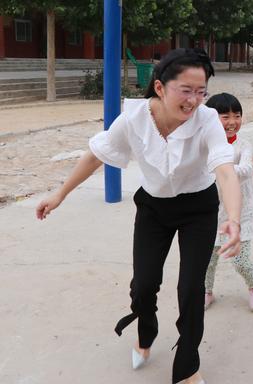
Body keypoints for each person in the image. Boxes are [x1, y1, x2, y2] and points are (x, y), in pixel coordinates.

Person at [35, 48, 241, 384]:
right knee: (143, 285)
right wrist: (60, 193)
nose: (194, 100)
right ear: (160, 87)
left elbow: (226, 171)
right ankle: (146, 334)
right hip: (154, 208)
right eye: (186, 91)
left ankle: (188, 364)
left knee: (190, 289)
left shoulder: (206, 121)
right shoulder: (134, 118)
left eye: (201, 92)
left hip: (198, 209)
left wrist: (233, 217)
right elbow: (96, 155)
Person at [203, 93, 253, 312]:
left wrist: (220, 169)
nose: (232, 122)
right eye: (225, 116)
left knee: (240, 261)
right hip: (210, 212)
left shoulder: (243, 145)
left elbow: (248, 169)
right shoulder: (204, 145)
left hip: (239, 212)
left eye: (236, 116)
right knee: (208, 260)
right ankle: (207, 291)